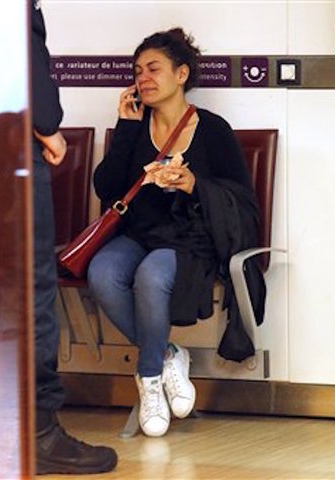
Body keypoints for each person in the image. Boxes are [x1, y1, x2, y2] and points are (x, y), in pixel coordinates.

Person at [88, 28, 264, 437]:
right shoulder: (135, 126)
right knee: (103, 273)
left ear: (181, 74)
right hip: (139, 234)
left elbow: (242, 200)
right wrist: (125, 128)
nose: (143, 79)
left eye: (153, 69)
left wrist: (193, 184)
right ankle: (169, 354)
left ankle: (149, 377)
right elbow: (106, 187)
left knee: (152, 275)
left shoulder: (213, 129)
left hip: (192, 239)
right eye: (137, 71)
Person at [30, 1, 117, 474]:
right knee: (30, 290)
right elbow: (23, 55)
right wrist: (46, 126)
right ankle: (37, 431)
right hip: (7, 147)